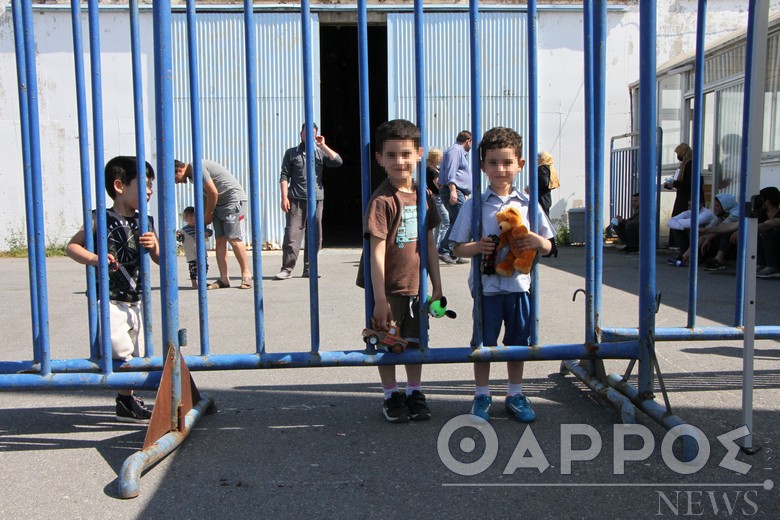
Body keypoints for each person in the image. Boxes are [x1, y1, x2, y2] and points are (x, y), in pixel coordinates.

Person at [449, 127, 555, 423]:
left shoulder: (529, 203)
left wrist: (536, 241)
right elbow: (457, 247)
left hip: (520, 287)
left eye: (507, 162)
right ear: (482, 166)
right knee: (483, 344)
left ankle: (514, 393)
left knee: (518, 343)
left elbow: (549, 245)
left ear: (520, 165)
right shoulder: (474, 204)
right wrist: (477, 246)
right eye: (493, 162)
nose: (500, 169)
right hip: (486, 289)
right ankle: (482, 394)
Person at [66, 156, 160, 423]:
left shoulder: (146, 222)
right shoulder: (100, 218)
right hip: (109, 298)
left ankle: (126, 401)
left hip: (138, 299)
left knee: (139, 351)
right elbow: (72, 247)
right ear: (120, 186)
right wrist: (94, 259)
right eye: (144, 185)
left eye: (151, 186)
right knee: (119, 350)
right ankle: (126, 399)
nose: (150, 191)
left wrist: (154, 246)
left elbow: (161, 259)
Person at [363, 119, 443, 423]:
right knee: (386, 341)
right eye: (392, 155)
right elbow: (376, 251)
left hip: (416, 285)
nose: (400, 161)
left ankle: (414, 391)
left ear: (419, 154)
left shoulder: (425, 195)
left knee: (415, 340)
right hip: (389, 288)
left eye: (406, 154)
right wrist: (380, 299)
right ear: (380, 158)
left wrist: (436, 285)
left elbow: (431, 243)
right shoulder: (382, 200)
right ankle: (391, 394)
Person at [275, 123, 343, 280]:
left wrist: (323, 145)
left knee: (315, 236)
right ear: (301, 134)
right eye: (306, 133)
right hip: (296, 199)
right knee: (292, 235)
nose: (309, 136)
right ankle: (286, 269)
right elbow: (284, 176)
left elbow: (338, 161)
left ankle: (309, 269)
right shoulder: (292, 153)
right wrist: (284, 197)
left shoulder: (319, 153)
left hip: (316, 200)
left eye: (312, 134)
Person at [174, 159, 252, 289]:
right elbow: (206, 194)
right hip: (219, 204)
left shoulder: (196, 167)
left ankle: (246, 275)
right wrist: (204, 215)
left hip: (233, 201)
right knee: (220, 240)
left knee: (234, 238)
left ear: (180, 169)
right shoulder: (192, 176)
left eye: (175, 178)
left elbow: (213, 192)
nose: (176, 182)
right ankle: (224, 279)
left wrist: (208, 214)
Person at [437, 130, 473, 264]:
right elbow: (451, 172)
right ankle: (444, 249)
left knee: (455, 221)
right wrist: (453, 190)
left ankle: (453, 253)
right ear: (468, 141)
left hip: (457, 190)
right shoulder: (455, 151)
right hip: (452, 190)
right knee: (460, 220)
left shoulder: (457, 151)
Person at [665, 199, 716, 267]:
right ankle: (685, 254)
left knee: (695, 232)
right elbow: (670, 222)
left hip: (709, 238)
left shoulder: (707, 213)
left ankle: (687, 257)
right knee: (677, 229)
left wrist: (680, 222)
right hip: (700, 236)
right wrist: (685, 226)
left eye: (693, 205)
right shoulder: (688, 212)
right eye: (689, 205)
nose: (690, 208)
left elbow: (692, 223)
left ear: (701, 205)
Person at [664, 143, 705, 221]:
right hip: (686, 197)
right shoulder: (687, 163)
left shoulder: (690, 164)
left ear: (682, 153)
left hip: (687, 199)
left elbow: (687, 182)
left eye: (678, 154)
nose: (678, 156)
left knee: (679, 220)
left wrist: (674, 184)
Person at [699, 193, 739, 271]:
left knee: (724, 232)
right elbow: (710, 227)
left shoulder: (736, 213)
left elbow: (723, 227)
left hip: (737, 242)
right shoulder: (721, 214)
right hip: (729, 244)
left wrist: (707, 239)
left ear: (725, 206)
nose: (714, 208)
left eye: (717, 206)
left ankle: (718, 259)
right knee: (705, 235)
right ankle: (690, 256)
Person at [177, 206, 213, 288]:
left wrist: (207, 233)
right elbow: (179, 239)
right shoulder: (183, 230)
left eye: (194, 217)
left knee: (204, 266)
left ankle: (202, 281)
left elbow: (210, 232)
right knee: (193, 269)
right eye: (189, 218)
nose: (192, 220)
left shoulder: (200, 227)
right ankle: (194, 283)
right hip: (191, 253)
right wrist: (178, 236)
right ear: (186, 219)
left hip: (202, 252)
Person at [426, 148, 449, 252]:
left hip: (437, 197)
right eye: (439, 157)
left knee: (439, 223)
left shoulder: (435, 169)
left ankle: (435, 248)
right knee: (446, 222)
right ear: (435, 158)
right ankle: (442, 247)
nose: (441, 159)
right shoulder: (432, 171)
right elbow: (439, 185)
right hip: (437, 198)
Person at [537, 151, 559, 257]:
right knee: (546, 223)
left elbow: (544, 183)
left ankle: (551, 247)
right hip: (546, 199)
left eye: (539, 157)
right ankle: (552, 248)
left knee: (545, 225)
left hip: (542, 199)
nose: (537, 159)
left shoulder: (543, 168)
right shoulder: (549, 167)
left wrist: (532, 187)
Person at [756, 187, 780, 278]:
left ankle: (773, 266)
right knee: (759, 234)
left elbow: (767, 225)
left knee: (769, 234)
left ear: (767, 201)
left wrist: (745, 230)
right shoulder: (761, 214)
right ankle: (761, 263)